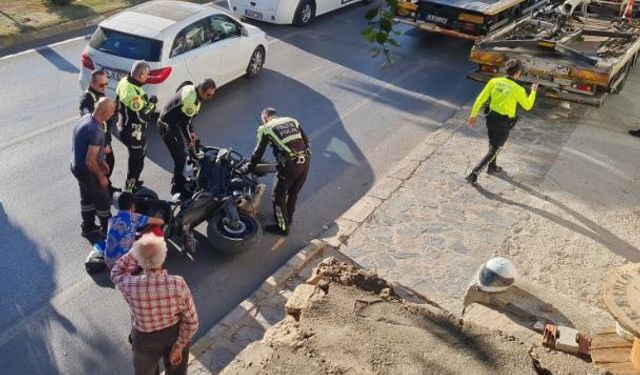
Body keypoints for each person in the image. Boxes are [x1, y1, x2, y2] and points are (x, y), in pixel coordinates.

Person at [111, 234, 198, 375]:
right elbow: (192, 322)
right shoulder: (178, 284)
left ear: (140, 260)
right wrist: (179, 346)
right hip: (174, 334)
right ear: (163, 256)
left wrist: (134, 251)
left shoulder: (131, 285)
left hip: (144, 340)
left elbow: (116, 272)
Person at [466, 60, 538, 184]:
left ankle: (492, 167)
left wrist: (473, 115)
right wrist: (533, 91)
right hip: (503, 123)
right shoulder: (518, 89)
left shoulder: (494, 81)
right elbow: (527, 106)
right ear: (518, 73)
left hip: (490, 118)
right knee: (495, 149)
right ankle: (474, 173)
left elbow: (480, 98)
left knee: (492, 144)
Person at [246, 107, 311, 236]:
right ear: (275, 115)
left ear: (265, 118)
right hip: (305, 162)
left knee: (277, 197)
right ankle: (289, 219)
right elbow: (306, 141)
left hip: (289, 166)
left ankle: (282, 228)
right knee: (293, 193)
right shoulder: (292, 120)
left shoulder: (265, 128)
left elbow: (258, 152)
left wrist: (249, 166)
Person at [158, 79, 216, 197]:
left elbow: (186, 120)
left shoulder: (192, 88)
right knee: (180, 157)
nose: (210, 97)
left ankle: (178, 177)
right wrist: (189, 141)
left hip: (173, 124)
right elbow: (184, 124)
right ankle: (176, 186)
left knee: (188, 149)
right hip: (167, 127)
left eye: (212, 95)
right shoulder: (191, 101)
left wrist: (192, 133)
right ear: (201, 90)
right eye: (208, 95)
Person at [71, 98, 116, 237]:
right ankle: (108, 231)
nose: (113, 114)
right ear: (106, 112)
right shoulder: (96, 130)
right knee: (102, 199)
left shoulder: (85, 118)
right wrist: (101, 177)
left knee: (87, 198)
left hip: (76, 166)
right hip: (86, 169)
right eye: (112, 112)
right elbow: (90, 161)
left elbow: (85, 146)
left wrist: (101, 161)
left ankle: (88, 227)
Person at [116, 61, 158, 192]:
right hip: (132, 132)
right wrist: (152, 104)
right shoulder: (133, 95)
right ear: (140, 75)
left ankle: (134, 181)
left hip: (126, 125)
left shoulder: (124, 81)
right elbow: (143, 116)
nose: (148, 77)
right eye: (147, 75)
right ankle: (129, 189)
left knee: (140, 154)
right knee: (136, 161)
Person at [80, 69, 119, 194]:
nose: (104, 87)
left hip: (104, 138)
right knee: (100, 166)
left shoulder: (99, 93)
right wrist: (104, 144)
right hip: (97, 141)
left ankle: (106, 185)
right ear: (92, 83)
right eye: (101, 85)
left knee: (110, 162)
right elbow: (92, 125)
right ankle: (101, 188)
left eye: (106, 84)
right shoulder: (87, 100)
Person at [104, 192, 164, 268]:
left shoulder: (112, 220)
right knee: (155, 230)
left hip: (109, 262)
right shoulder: (134, 218)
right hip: (124, 266)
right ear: (132, 205)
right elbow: (160, 221)